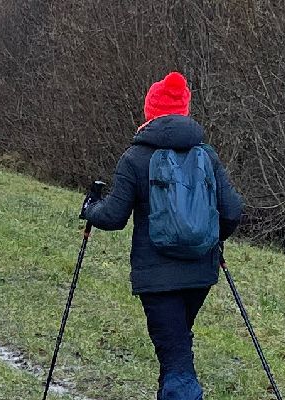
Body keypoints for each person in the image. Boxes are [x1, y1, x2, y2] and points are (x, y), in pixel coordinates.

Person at [81, 71, 245, 399]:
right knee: (175, 351)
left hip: (156, 278)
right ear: (185, 110)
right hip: (200, 272)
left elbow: (113, 217)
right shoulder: (207, 155)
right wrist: (213, 239)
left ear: (149, 112)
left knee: (177, 364)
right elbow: (232, 211)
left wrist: (89, 209)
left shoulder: (135, 158)